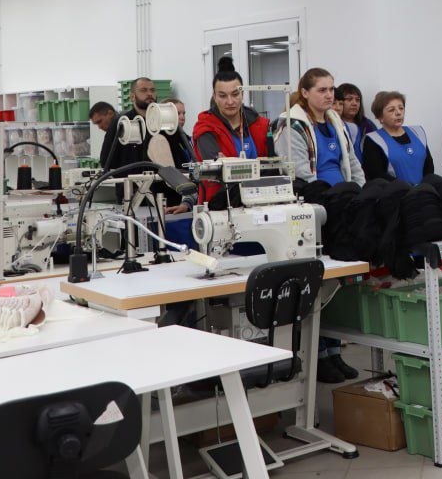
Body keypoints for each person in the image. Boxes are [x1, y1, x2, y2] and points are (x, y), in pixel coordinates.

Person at [277, 68, 364, 383]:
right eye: (322, 90)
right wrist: (333, 201)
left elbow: (352, 163)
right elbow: (300, 173)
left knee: (336, 287)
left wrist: (360, 195)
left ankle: (333, 351)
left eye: (331, 89)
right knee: (316, 287)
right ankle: (317, 355)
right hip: (314, 210)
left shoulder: (336, 122)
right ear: (305, 92)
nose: (329, 95)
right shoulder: (291, 125)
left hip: (343, 207)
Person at [193, 58, 274, 204]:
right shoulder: (205, 128)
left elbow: (272, 165)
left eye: (235, 94)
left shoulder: (260, 125)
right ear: (214, 96)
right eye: (222, 96)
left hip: (261, 198)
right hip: (222, 201)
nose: (230, 102)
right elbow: (218, 171)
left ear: (243, 93)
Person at [361, 90, 435, 185]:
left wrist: (424, 188)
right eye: (391, 110)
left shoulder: (418, 133)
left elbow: (429, 167)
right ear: (380, 117)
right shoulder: (373, 140)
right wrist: (407, 188)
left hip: (424, 190)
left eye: (401, 108)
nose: (398, 112)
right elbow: (376, 175)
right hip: (395, 192)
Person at [103, 77, 156, 170]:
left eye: (152, 90)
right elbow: (106, 160)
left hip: (160, 178)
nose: (149, 94)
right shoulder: (121, 122)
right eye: (143, 90)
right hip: (129, 178)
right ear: (132, 97)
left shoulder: (162, 122)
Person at [147, 96, 195, 171]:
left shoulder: (184, 138)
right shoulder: (159, 140)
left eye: (183, 113)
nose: (182, 117)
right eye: (177, 113)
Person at [336, 83, 378, 161]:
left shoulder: (368, 125)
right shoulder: (331, 124)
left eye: (357, 100)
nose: (354, 103)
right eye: (349, 99)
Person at [90, 100, 116, 168]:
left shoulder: (122, 129)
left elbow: (105, 162)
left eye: (99, 121)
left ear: (110, 113)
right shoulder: (112, 133)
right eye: (97, 124)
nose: (99, 127)